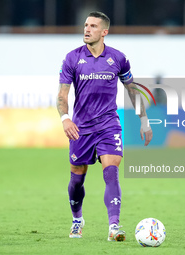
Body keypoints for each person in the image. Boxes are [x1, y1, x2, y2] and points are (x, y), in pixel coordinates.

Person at [57, 11, 153, 241]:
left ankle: (114, 226)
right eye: (85, 25)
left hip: (109, 125)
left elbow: (132, 90)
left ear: (104, 32)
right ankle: (77, 219)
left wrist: (144, 120)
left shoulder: (118, 58)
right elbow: (62, 95)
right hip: (80, 128)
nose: (86, 29)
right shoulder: (72, 58)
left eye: (92, 26)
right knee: (77, 179)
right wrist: (65, 118)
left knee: (111, 172)